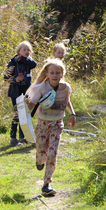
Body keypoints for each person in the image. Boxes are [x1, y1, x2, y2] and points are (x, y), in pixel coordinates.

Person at [25, 58, 76, 196]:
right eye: (52, 73)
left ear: (61, 74)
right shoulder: (41, 88)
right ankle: (39, 160)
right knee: (42, 152)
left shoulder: (66, 88)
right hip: (42, 124)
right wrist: (26, 102)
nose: (54, 75)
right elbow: (32, 106)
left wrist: (73, 113)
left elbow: (67, 100)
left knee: (52, 154)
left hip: (57, 124)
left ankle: (46, 184)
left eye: (57, 73)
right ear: (47, 74)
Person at [4, 41, 37, 146]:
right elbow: (6, 76)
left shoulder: (28, 62)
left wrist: (23, 59)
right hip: (16, 92)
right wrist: (15, 79)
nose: (27, 51)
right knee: (17, 114)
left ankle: (23, 137)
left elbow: (34, 64)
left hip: (26, 91)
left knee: (25, 114)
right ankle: (13, 138)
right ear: (19, 51)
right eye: (24, 50)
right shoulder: (13, 62)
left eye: (28, 50)